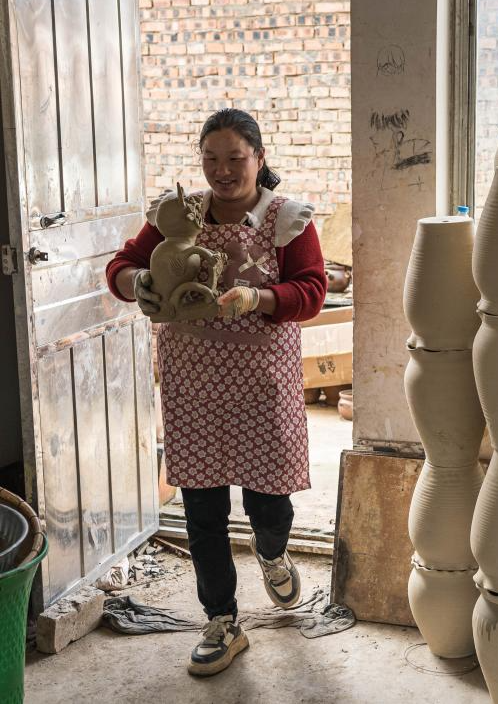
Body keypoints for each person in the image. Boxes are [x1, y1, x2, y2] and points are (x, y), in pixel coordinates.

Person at [106, 108, 327, 676]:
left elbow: (312, 290)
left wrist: (261, 299)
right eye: (211, 159)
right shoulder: (179, 215)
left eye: (235, 158)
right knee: (203, 507)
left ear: (259, 157)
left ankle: (273, 552)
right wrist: (142, 284)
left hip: (261, 380)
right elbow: (123, 265)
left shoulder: (287, 219)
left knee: (267, 499)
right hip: (193, 380)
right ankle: (222, 621)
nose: (222, 170)